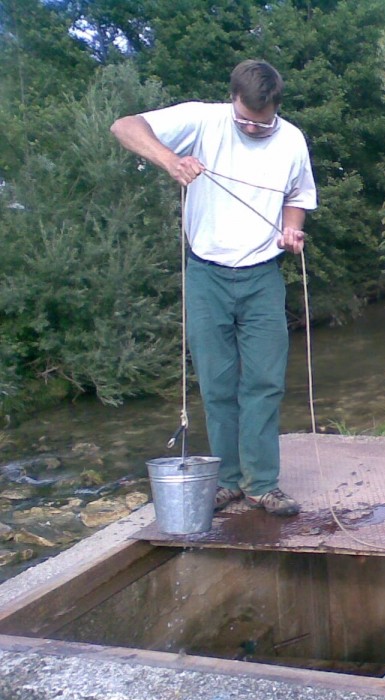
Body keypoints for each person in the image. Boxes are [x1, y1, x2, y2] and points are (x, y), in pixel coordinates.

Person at [111, 60, 317, 517]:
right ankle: (227, 481)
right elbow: (124, 125)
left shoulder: (292, 139)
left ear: (276, 108)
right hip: (205, 275)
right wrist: (170, 160)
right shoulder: (202, 119)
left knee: (264, 382)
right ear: (233, 101)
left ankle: (262, 484)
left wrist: (292, 230)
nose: (254, 128)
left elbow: (298, 198)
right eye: (245, 120)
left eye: (263, 123)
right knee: (218, 384)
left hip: (263, 274)